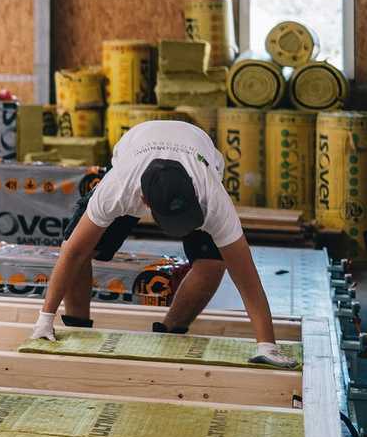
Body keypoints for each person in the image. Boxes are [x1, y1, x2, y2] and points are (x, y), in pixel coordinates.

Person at [30, 120, 296, 369]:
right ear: (144, 201)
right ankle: (78, 329)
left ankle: (170, 333)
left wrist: (267, 344)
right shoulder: (118, 189)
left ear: (194, 193)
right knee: (85, 246)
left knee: (213, 263)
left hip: (195, 150)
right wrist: (45, 319)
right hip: (137, 145)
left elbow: (246, 276)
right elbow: (73, 251)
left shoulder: (211, 196)